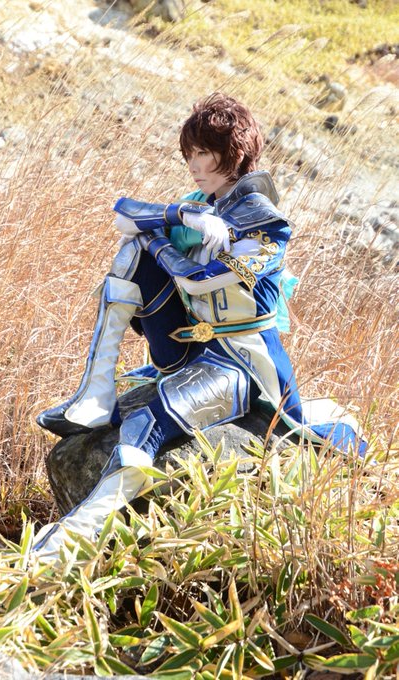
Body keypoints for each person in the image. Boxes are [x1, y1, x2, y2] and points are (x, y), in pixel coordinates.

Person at [33, 93, 367, 560]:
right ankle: (96, 393)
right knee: (131, 254)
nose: (192, 164)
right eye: (189, 153)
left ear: (234, 154)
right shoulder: (201, 204)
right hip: (190, 345)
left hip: (240, 360)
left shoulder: (267, 225)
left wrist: (156, 240)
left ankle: (69, 539)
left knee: (146, 423)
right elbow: (122, 215)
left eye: (203, 153)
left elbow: (197, 279)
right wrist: (179, 216)